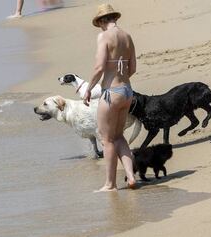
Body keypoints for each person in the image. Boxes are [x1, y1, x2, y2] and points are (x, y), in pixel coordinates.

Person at [84, 4, 137, 192]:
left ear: (101, 21)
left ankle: (110, 184)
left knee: (106, 139)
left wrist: (89, 89)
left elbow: (99, 68)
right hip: (127, 91)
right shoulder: (127, 36)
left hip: (110, 93)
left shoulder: (104, 37)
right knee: (119, 136)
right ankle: (130, 177)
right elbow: (132, 69)